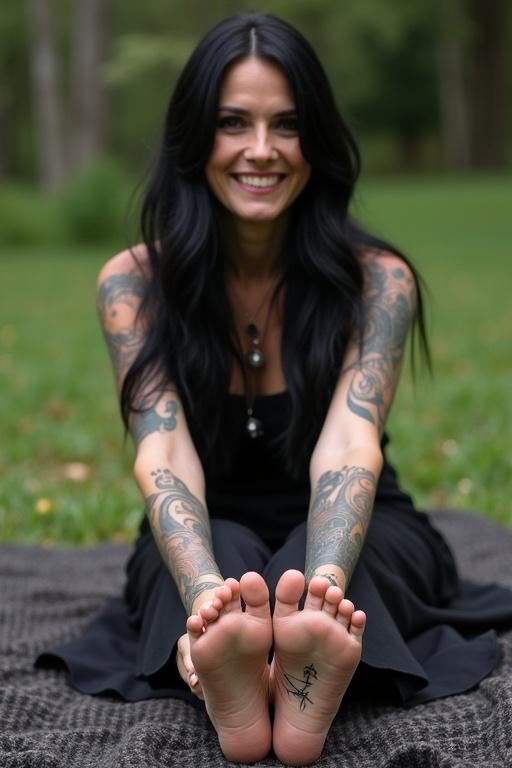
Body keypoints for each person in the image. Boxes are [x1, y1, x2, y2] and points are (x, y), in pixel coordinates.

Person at [37, 12, 512, 766]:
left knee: (329, 569)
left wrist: (320, 587)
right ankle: (224, 659)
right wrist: (203, 597)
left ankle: (306, 658)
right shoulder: (133, 284)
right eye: (234, 122)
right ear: (197, 138)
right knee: (218, 571)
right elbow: (163, 452)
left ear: (315, 141)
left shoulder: (375, 283)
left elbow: (348, 445)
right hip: (205, 516)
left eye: (286, 125)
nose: (261, 150)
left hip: (358, 520)